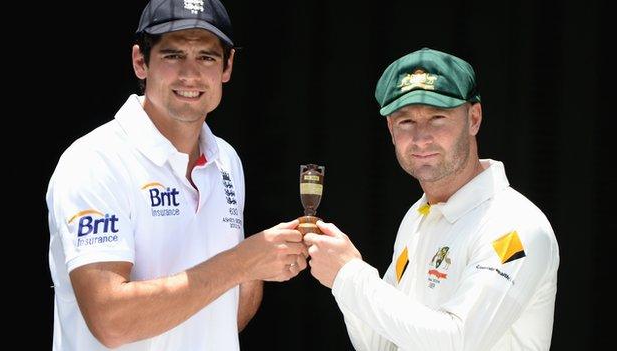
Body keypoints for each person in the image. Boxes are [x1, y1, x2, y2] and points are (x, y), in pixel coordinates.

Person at [46, 0, 308, 350]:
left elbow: (225, 313)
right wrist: (243, 262)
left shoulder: (226, 159)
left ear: (228, 66)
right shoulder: (95, 160)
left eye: (207, 57)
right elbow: (111, 321)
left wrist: (264, 263)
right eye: (172, 56)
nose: (190, 74)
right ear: (141, 61)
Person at [304, 48, 560, 350]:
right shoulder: (418, 216)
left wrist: (350, 276)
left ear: (474, 118)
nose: (421, 137)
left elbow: (458, 341)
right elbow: (380, 344)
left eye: (438, 118)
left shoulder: (514, 224)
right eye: (406, 121)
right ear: (390, 129)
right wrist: (343, 278)